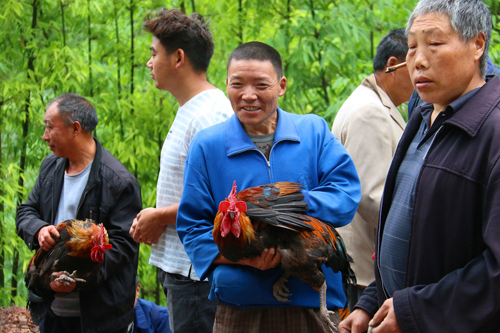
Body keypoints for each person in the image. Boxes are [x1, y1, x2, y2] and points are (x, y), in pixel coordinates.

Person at [176, 41, 361, 332]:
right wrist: (246, 259)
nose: (248, 95)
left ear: (281, 85)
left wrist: (288, 207)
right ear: (226, 84)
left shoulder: (312, 131)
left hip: (312, 303)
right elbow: (191, 227)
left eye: (261, 85)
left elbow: (346, 194)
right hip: (241, 306)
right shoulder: (208, 145)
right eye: (237, 84)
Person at [339, 0, 500, 332]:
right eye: (413, 46)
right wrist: (372, 301)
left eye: (435, 44)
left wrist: (417, 310)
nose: (419, 60)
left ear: (477, 45)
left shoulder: (492, 132)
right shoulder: (423, 116)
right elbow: (409, 227)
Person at [128, 8, 233, 333]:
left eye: (154, 54)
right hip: (182, 270)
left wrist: (159, 217)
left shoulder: (210, 115)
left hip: (196, 273)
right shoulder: (191, 110)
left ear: (178, 58)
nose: (149, 63)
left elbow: (224, 201)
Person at [16, 93, 142, 333]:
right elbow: (26, 211)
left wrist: (78, 279)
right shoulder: (50, 167)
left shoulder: (119, 181)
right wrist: (39, 230)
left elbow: (124, 246)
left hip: (100, 317)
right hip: (51, 309)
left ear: (75, 128)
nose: (45, 136)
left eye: (49, 127)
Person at [331, 28, 412, 311]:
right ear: (393, 65)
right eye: (414, 65)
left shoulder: (378, 104)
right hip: (365, 268)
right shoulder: (370, 112)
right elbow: (370, 196)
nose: (420, 75)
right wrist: (413, 234)